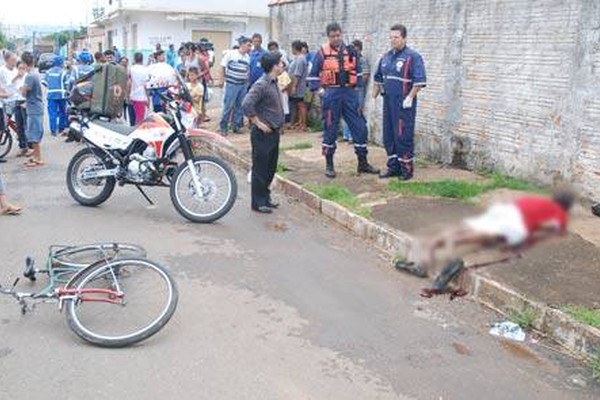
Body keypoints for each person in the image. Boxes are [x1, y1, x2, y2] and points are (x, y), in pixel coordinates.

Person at [396, 189, 575, 292]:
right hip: (510, 226)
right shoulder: (559, 215)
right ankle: (443, 265)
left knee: (457, 236)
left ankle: (425, 265)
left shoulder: (537, 201)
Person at [307, 22, 380, 178]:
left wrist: (358, 98)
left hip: (349, 93)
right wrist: (321, 92)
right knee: (330, 129)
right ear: (328, 36)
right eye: (333, 36)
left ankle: (363, 163)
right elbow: (312, 77)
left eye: (338, 35)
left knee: (360, 128)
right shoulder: (321, 53)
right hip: (331, 94)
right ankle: (329, 164)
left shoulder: (351, 52)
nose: (336, 38)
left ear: (341, 34)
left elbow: (359, 75)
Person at [374, 24, 427, 180]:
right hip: (388, 102)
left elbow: (419, 81)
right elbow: (377, 79)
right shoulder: (386, 57)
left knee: (403, 135)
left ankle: (406, 169)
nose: (393, 40)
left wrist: (410, 97)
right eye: (391, 37)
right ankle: (393, 167)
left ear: (404, 38)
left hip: (403, 104)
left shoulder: (413, 57)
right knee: (388, 135)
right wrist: (374, 96)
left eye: (396, 37)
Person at [242, 52, 285, 214]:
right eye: (280, 63)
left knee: (270, 168)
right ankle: (258, 202)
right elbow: (246, 104)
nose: (282, 66)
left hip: (273, 132)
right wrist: (258, 123)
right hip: (263, 133)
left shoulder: (273, 82)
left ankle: (265, 198)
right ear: (274, 66)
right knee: (260, 168)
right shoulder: (262, 84)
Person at [218, 36, 252, 135]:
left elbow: (247, 70)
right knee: (228, 106)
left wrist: (247, 82)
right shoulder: (231, 54)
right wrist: (221, 79)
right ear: (242, 45)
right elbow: (222, 66)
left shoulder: (247, 57)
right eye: (248, 45)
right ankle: (223, 127)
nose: (250, 48)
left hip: (243, 84)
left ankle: (237, 126)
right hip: (232, 84)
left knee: (240, 106)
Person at [20, 52, 45, 167]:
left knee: (34, 134)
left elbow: (24, 92)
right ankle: (35, 156)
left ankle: (38, 158)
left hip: (34, 108)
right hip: (35, 107)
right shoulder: (34, 74)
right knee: (34, 133)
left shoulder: (29, 76)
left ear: (25, 63)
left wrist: (22, 88)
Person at [343, 39, 369, 143]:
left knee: (356, 111)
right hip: (349, 89)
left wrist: (356, 83)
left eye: (354, 48)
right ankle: (346, 135)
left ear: (359, 49)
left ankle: (353, 136)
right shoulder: (349, 60)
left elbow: (365, 75)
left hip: (358, 89)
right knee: (348, 110)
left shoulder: (362, 60)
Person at [5, 60, 30, 157]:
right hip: (16, 102)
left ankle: (30, 146)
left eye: (23, 68)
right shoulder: (15, 77)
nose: (21, 70)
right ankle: (22, 146)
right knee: (19, 126)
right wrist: (16, 77)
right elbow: (9, 86)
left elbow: (28, 92)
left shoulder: (27, 77)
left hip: (24, 102)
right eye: (19, 68)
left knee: (26, 125)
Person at [43, 55, 70, 137]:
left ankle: (53, 130)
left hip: (51, 95)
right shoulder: (64, 72)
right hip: (61, 95)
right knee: (62, 112)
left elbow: (44, 83)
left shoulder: (48, 72)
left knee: (52, 113)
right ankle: (61, 128)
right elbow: (67, 84)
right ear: (61, 63)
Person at [289, 40, 309, 131]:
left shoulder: (301, 59)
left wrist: (294, 86)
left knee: (301, 105)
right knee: (298, 104)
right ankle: (300, 123)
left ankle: (303, 124)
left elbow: (297, 74)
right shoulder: (297, 58)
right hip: (298, 85)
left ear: (294, 48)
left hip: (300, 86)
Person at [129, 52, 149, 125]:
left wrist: (128, 95)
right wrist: (148, 99)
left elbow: (129, 83)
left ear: (134, 59)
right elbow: (145, 85)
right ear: (142, 59)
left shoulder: (131, 69)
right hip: (141, 97)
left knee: (133, 119)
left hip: (133, 96)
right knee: (140, 120)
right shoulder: (145, 70)